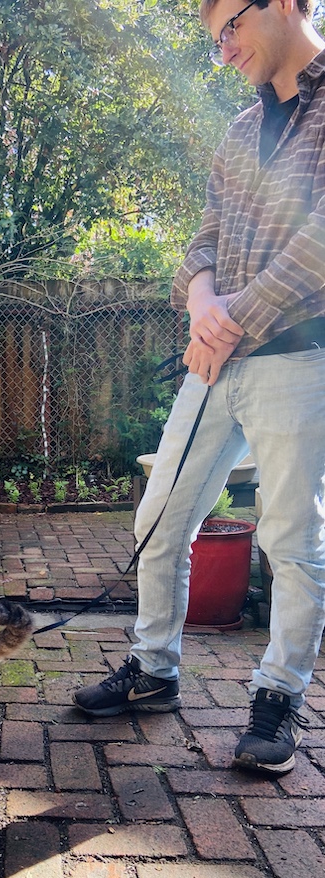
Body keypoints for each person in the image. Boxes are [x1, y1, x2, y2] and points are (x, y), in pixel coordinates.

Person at [73, 0, 325, 775]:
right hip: (217, 362)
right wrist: (201, 302)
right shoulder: (240, 130)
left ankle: (278, 697)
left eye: (230, 29)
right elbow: (205, 234)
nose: (222, 52)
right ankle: (154, 671)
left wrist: (234, 317)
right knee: (158, 520)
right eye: (214, 38)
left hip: (298, 360)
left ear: (284, 3)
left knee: (290, 542)